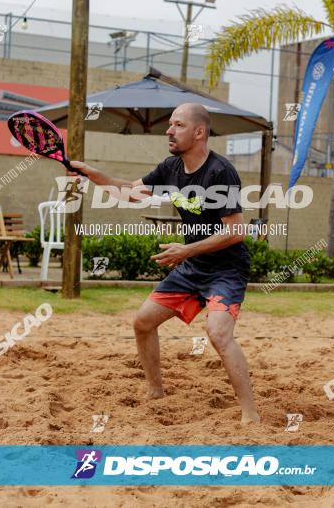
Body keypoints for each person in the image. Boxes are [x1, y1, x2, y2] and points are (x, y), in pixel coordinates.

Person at [69, 102, 260, 424]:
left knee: (218, 333)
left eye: (178, 125)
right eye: (170, 124)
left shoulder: (220, 171)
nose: (169, 131)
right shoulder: (171, 168)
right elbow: (131, 193)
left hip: (226, 269)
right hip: (194, 266)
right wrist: (91, 175)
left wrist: (185, 251)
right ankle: (155, 391)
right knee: (143, 322)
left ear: (199, 132)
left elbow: (236, 232)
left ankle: (250, 412)